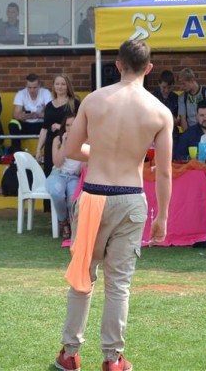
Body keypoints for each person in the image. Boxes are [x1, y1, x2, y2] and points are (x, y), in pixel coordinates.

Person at [54, 39, 173, 371]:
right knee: (118, 284)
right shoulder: (160, 111)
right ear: (149, 68)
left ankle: (70, 353)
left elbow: (71, 151)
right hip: (131, 197)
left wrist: (101, 153)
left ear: (118, 65)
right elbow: (163, 171)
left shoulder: (94, 100)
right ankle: (112, 358)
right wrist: (162, 216)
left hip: (94, 194)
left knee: (83, 277)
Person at [46, 114, 83, 239]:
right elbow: (57, 163)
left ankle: (73, 225)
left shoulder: (85, 141)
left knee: (73, 200)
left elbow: (82, 166)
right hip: (58, 174)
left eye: (73, 125)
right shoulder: (58, 139)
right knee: (57, 193)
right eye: (67, 125)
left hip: (74, 176)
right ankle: (63, 222)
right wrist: (64, 143)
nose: (70, 128)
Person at [36, 73, 80, 178]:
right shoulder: (49, 105)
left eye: (63, 84)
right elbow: (44, 129)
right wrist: (38, 149)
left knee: (68, 174)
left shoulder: (74, 103)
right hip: (50, 144)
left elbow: (80, 126)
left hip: (67, 144)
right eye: (57, 84)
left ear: (68, 86)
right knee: (49, 175)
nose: (60, 87)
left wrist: (60, 126)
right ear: (53, 86)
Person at [8, 73, 52, 153]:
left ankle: (48, 152)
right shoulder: (21, 93)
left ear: (39, 85)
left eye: (34, 87)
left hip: (41, 125)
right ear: (26, 86)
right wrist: (22, 116)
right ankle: (17, 152)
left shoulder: (46, 93)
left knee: (52, 123)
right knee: (13, 123)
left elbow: (51, 113)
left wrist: (38, 115)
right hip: (26, 124)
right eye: (29, 88)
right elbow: (15, 114)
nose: (32, 90)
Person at [152, 70, 179, 148]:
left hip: (172, 133)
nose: (166, 90)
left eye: (169, 87)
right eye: (164, 87)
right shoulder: (153, 97)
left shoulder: (176, 98)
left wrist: (176, 120)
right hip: (156, 132)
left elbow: (179, 120)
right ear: (159, 83)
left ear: (173, 85)